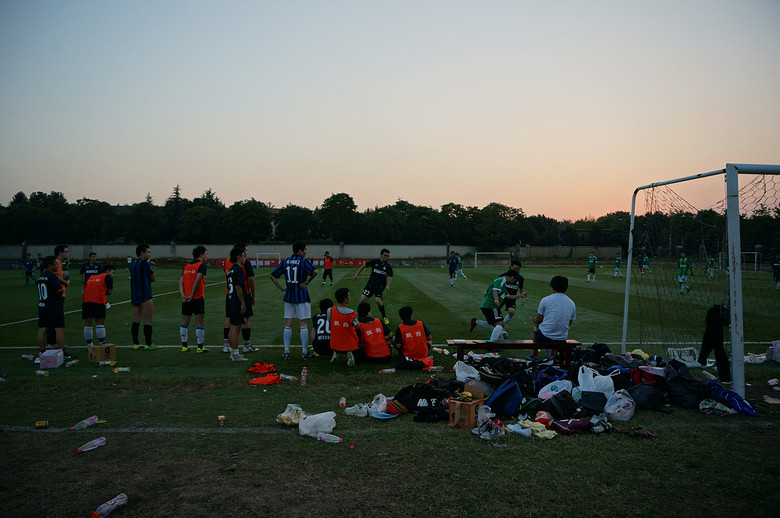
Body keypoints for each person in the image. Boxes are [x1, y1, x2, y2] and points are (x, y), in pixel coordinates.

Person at [270, 241, 318, 360]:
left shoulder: (286, 261)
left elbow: (272, 275)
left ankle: (286, 352)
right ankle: (304, 352)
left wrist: (282, 288)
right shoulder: (303, 261)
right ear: (300, 251)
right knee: (303, 324)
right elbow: (315, 271)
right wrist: (306, 282)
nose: (306, 252)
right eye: (305, 250)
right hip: (301, 296)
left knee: (289, 324)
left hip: (289, 296)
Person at [222, 243, 257, 354]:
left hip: (229, 294)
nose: (246, 254)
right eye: (245, 251)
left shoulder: (227, 262)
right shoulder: (244, 263)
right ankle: (245, 346)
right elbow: (251, 280)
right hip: (242, 294)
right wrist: (253, 295)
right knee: (244, 320)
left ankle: (226, 345)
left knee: (229, 319)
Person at [529, 275, 576, 359]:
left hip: (545, 336)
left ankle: (533, 354)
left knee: (535, 329)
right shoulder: (571, 303)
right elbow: (569, 322)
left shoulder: (546, 300)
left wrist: (535, 321)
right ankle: (552, 355)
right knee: (557, 329)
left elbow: (539, 320)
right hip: (562, 337)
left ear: (552, 286)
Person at [472, 269, 521, 341]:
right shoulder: (501, 280)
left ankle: (475, 321)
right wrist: (496, 299)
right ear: (512, 277)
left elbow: (509, 297)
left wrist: (521, 296)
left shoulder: (503, 285)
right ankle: (492, 343)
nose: (512, 282)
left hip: (488, 306)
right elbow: (495, 290)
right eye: (513, 280)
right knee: (500, 324)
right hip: (491, 306)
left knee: (494, 325)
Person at [36, 256, 67, 359]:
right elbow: (58, 290)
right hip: (53, 306)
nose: (57, 265)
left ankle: (42, 351)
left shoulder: (40, 277)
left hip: (42, 305)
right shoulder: (52, 276)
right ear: (50, 265)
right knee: (59, 328)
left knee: (42, 328)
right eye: (56, 264)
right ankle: (62, 352)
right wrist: (63, 287)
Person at [180, 246, 209, 353]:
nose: (207, 256)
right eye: (206, 254)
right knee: (199, 322)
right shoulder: (202, 265)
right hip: (197, 297)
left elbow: (181, 282)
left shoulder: (186, 266)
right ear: (200, 254)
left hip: (186, 298)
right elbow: (197, 280)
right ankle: (200, 347)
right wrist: (192, 295)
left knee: (185, 322)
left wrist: (183, 295)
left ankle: (184, 346)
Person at [353, 248, 393, 324]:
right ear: (381, 255)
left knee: (378, 300)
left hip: (380, 287)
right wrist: (356, 275)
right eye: (385, 255)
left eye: (388, 256)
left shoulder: (388, 266)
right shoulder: (375, 262)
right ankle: (359, 318)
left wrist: (388, 285)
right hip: (370, 285)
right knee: (362, 300)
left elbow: (390, 275)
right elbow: (363, 266)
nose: (386, 257)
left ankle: (384, 317)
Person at [130, 244, 157, 350]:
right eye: (148, 252)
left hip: (135, 295)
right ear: (142, 252)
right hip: (145, 294)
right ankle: (149, 344)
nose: (149, 254)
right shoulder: (145, 263)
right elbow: (153, 278)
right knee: (149, 319)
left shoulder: (133, 263)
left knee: (136, 319)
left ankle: (136, 343)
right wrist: (151, 268)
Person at [225, 246, 249, 362]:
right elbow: (238, 287)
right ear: (239, 257)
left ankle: (232, 351)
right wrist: (243, 303)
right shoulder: (238, 269)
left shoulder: (230, 270)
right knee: (236, 327)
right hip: (236, 301)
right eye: (243, 256)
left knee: (232, 327)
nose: (245, 258)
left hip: (230, 300)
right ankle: (235, 354)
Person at [82, 264, 114, 347]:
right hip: (98, 301)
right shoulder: (107, 277)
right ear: (108, 271)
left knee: (88, 324)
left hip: (86, 301)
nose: (113, 275)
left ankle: (89, 345)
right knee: (99, 323)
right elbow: (109, 292)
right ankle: (102, 343)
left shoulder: (91, 277)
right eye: (112, 273)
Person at [328, 287, 359, 366]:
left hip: (335, 343)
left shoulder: (330, 310)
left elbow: (330, 323)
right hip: (349, 344)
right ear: (345, 299)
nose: (350, 296)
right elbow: (356, 327)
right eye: (349, 295)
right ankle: (350, 354)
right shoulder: (352, 313)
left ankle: (335, 353)